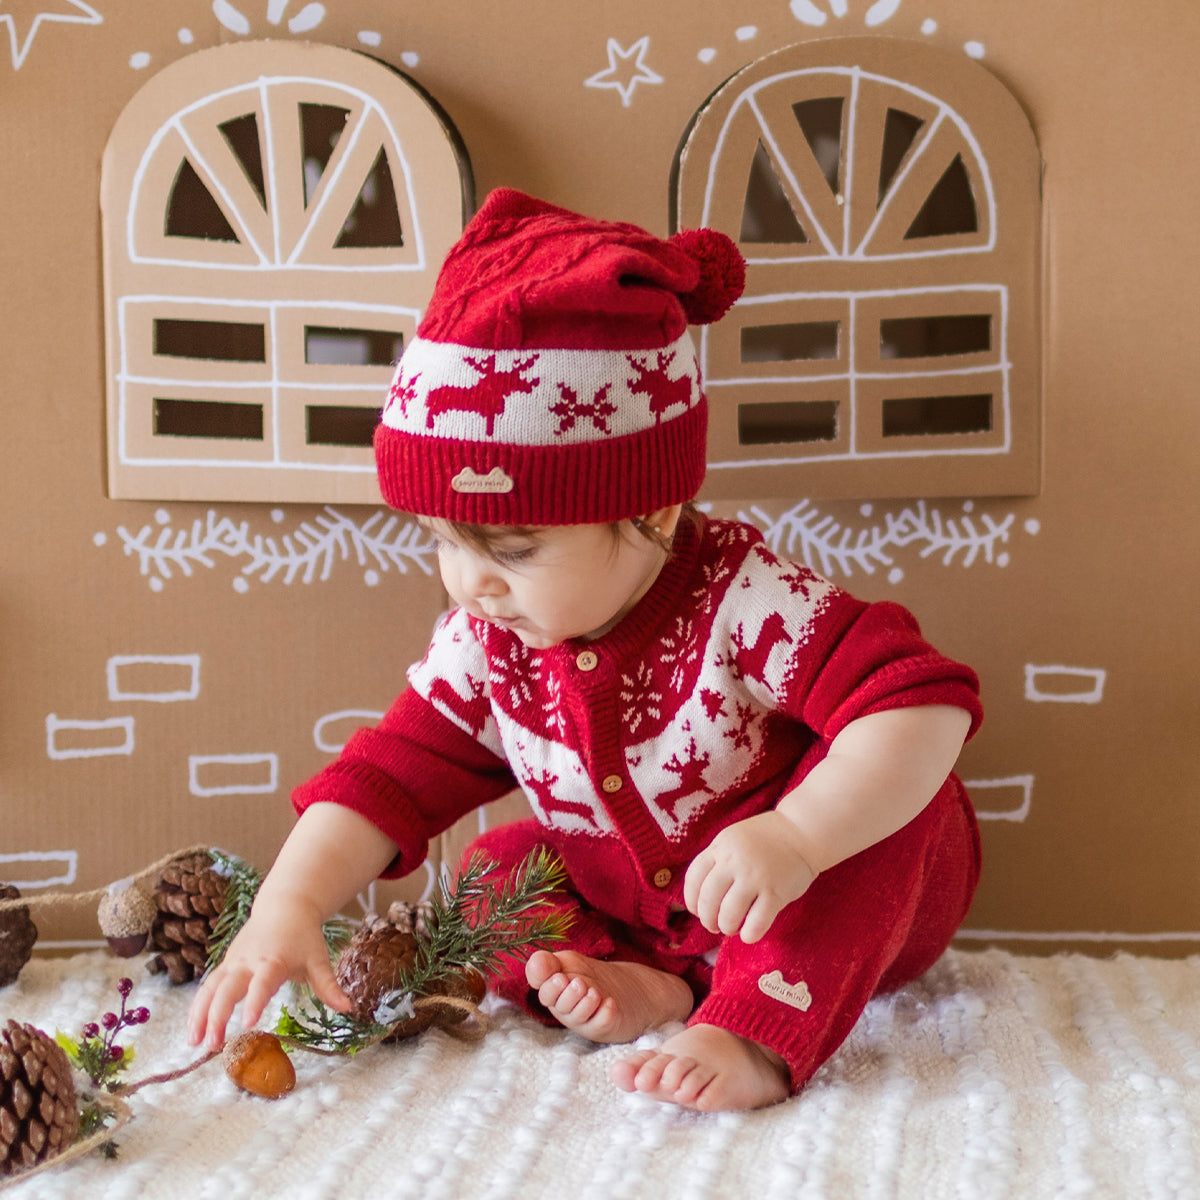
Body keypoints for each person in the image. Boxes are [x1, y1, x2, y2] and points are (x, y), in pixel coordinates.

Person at [188, 188, 982, 1113]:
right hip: (641, 911)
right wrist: (291, 901)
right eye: (444, 541)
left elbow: (921, 702)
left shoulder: (746, 601)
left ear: (650, 510)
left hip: (808, 888)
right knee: (493, 872)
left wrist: (802, 835)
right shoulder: (491, 639)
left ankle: (758, 1027)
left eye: (513, 551)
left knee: (895, 818)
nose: (469, 582)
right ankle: (657, 985)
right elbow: (393, 772)